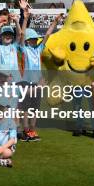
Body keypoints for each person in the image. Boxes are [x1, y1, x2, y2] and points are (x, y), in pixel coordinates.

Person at [18, 10, 62, 142]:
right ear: (27, 40)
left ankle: (32, 129)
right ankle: (25, 131)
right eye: (31, 39)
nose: (33, 41)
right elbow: (21, 34)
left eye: (34, 39)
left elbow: (48, 34)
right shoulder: (23, 49)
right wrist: (25, 19)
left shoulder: (39, 49)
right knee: (25, 109)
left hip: (38, 82)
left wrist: (55, 21)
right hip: (26, 82)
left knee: (35, 109)